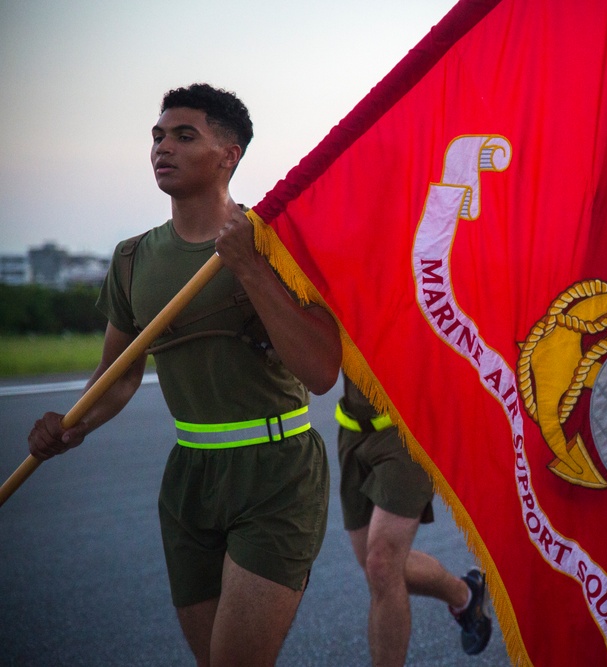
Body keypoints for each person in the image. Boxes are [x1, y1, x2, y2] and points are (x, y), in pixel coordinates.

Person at [27, 84, 343, 666]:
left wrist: (249, 267)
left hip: (277, 474)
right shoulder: (131, 260)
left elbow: (322, 371)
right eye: (157, 136)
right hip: (189, 479)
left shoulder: (276, 246)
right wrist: (69, 426)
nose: (161, 148)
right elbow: (117, 378)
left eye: (183, 135)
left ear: (229, 154)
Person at [336, 376, 492, 666]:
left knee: (381, 565)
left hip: (410, 427)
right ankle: (466, 595)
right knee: (375, 565)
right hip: (353, 426)